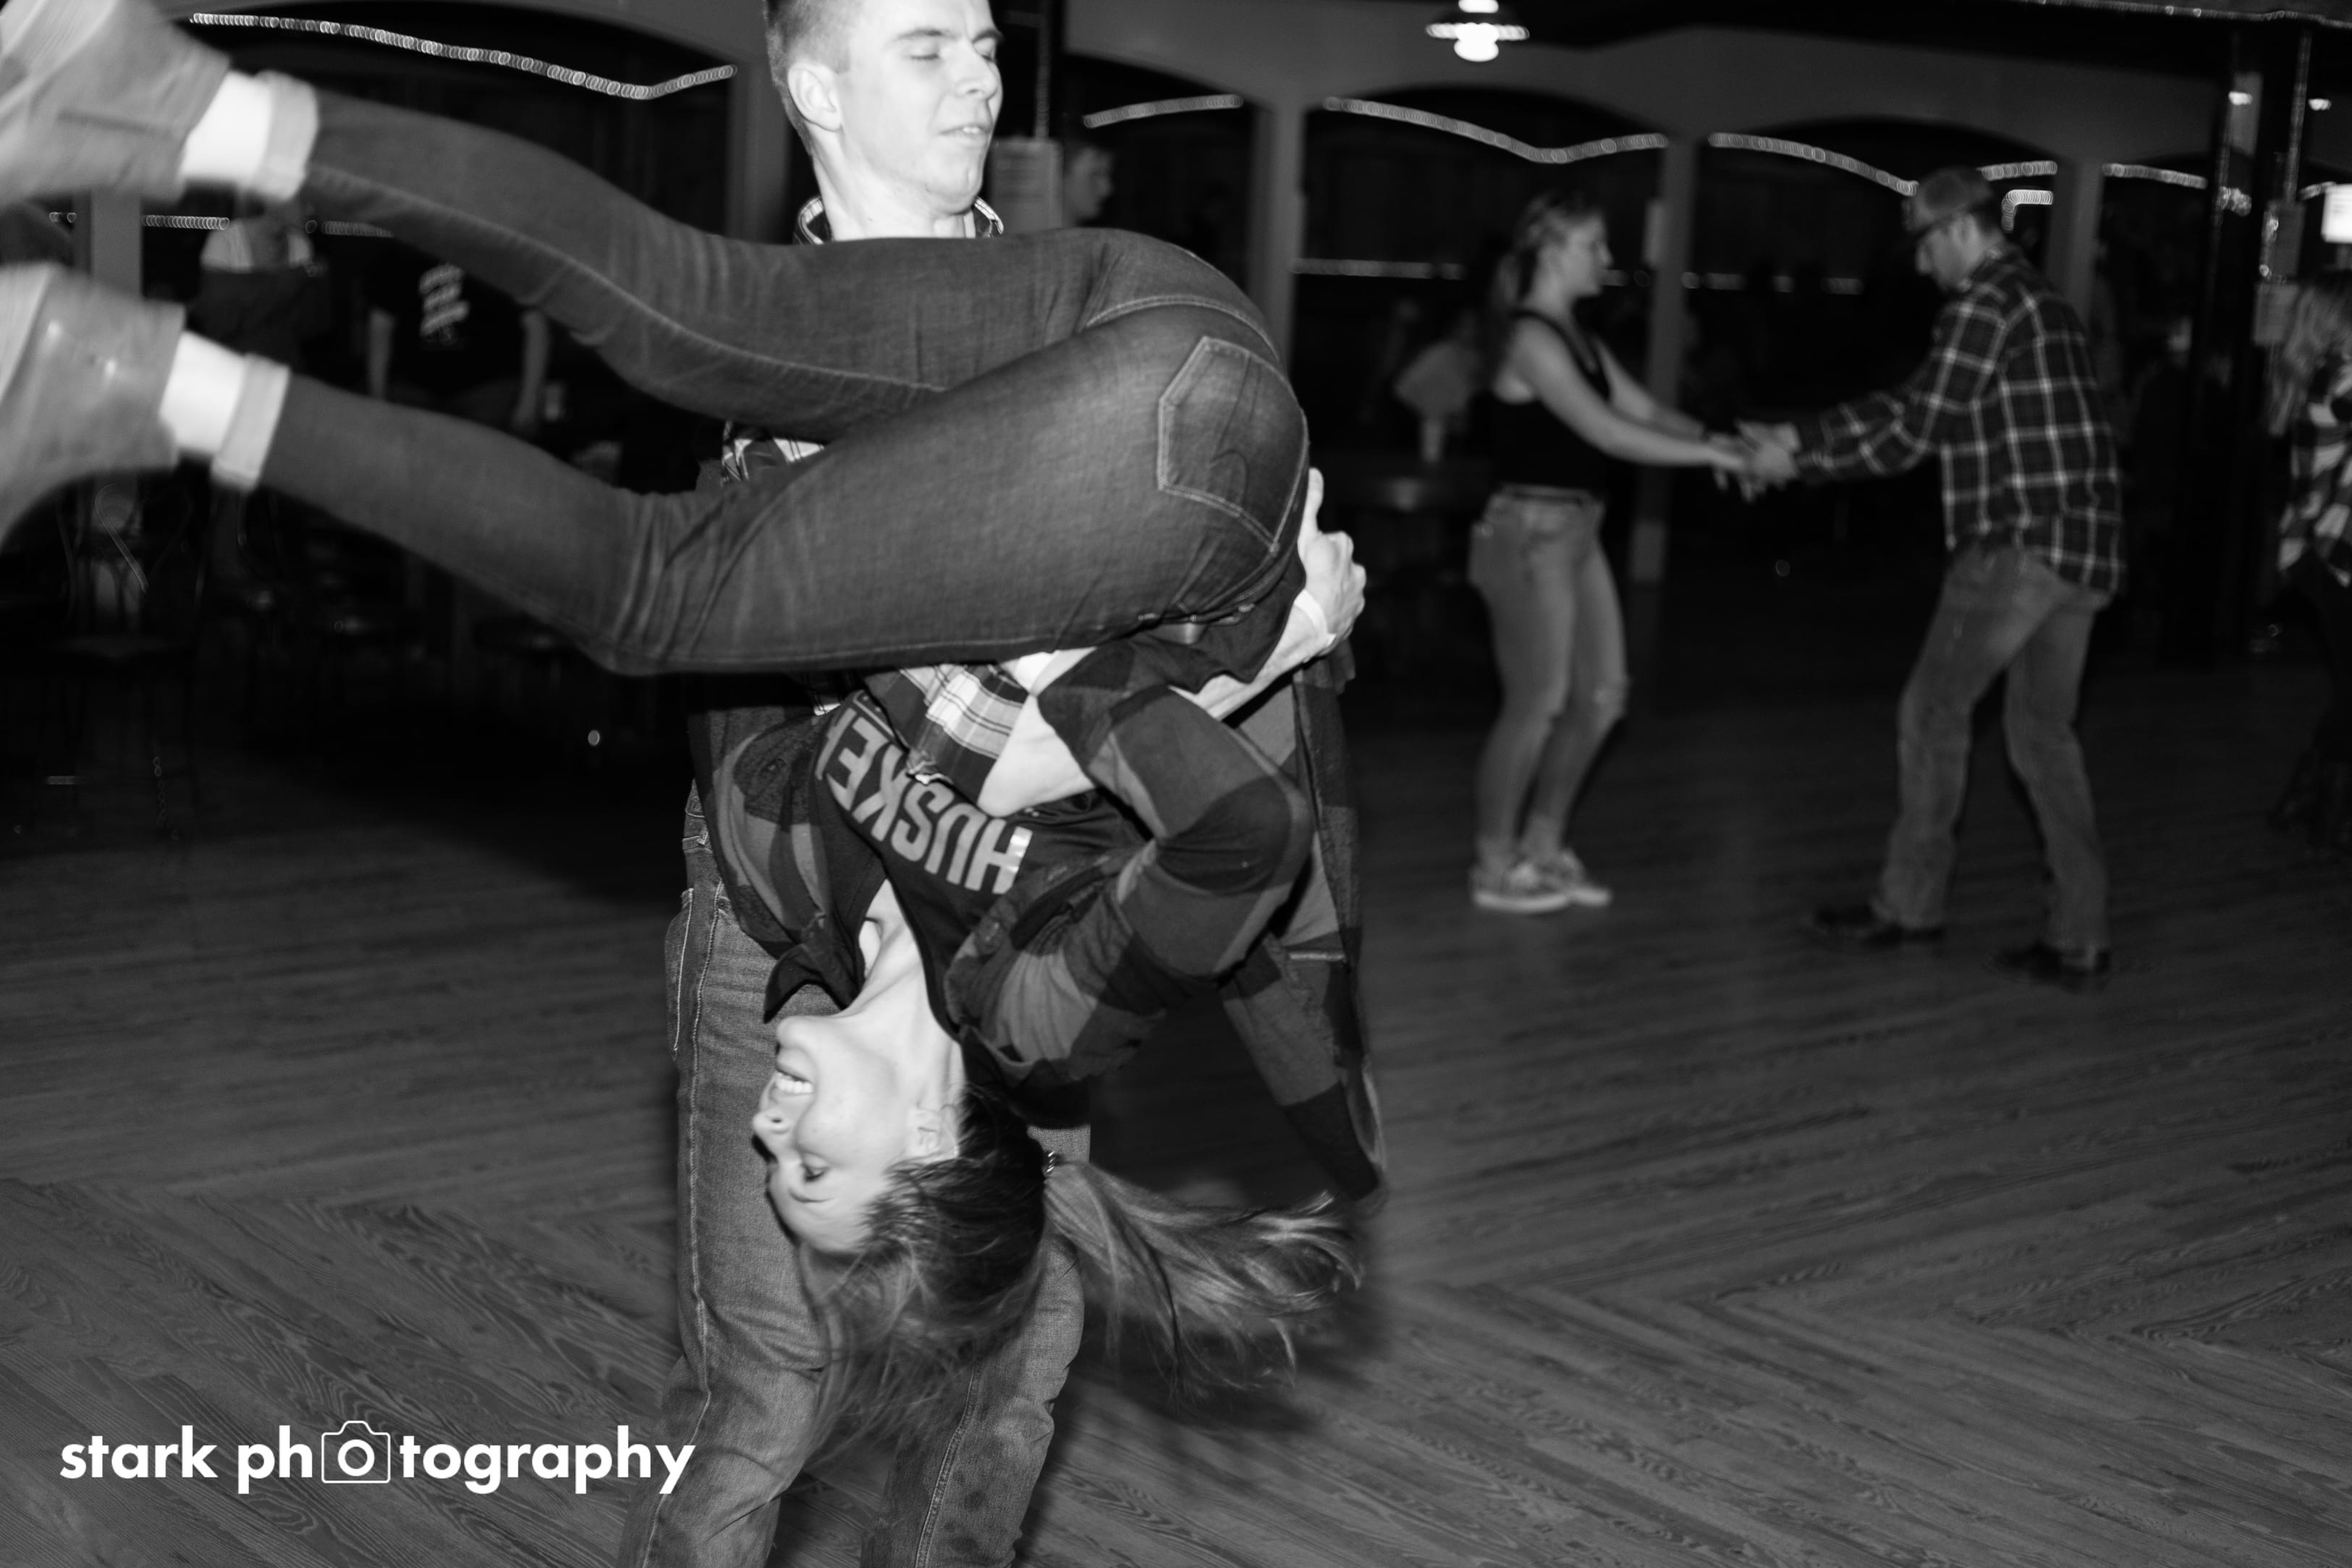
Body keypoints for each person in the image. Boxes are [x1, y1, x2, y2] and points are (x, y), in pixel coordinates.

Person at [0, 3, 1379, 1561]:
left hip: (1143, 338)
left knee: (678, 324)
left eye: (985, 42)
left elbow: (924, 740)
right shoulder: (1027, 1007)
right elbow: (1196, 812)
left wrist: (1113, 707)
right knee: (661, 590)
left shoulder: (835, 875)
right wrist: (1248, 654)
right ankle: (146, 374)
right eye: (925, 47)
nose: (979, 81)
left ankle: (171, 129)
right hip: (1185, 458)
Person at [1747, 167, 2126, 992]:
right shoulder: (2040, 299)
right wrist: (1803, 436)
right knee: (2042, 737)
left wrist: (1797, 457)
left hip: (2021, 545)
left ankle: (1909, 905)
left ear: (1957, 229)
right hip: (2085, 549)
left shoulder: (1985, 301)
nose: (1920, 266)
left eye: (1923, 245)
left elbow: (1916, 426)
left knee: (1930, 712)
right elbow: (1918, 403)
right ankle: (2080, 934)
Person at [1468, 189, 1759, 915]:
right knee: (1537, 703)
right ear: (1553, 249)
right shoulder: (1530, 338)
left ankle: (1543, 847)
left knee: (1601, 698)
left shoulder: (1576, 335)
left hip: (1576, 532)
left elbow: (1645, 411)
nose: (1607, 257)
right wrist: (1707, 457)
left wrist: (1722, 441)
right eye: (1594, 244)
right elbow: (1605, 431)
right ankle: (1494, 865)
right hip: (1528, 533)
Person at [2261, 271, 2352, 857]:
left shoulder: (2322, 377)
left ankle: (2309, 802)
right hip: (2334, 557)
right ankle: (2327, 813)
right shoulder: (2340, 380)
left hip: (2322, 555)